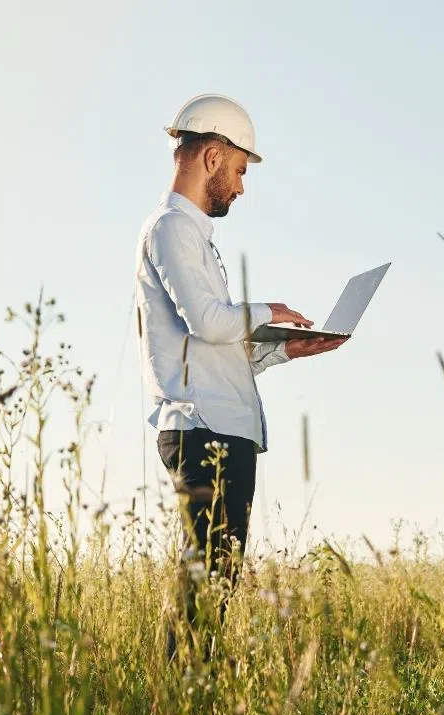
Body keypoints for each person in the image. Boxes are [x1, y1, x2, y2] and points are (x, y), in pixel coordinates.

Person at [133, 93, 347, 663]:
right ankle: (180, 691)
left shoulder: (192, 237)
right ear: (211, 158)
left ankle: (188, 689)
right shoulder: (172, 231)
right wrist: (269, 311)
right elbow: (210, 322)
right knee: (205, 580)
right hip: (203, 430)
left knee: (214, 580)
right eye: (240, 170)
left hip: (220, 427)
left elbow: (212, 347)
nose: (242, 186)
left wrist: (284, 352)